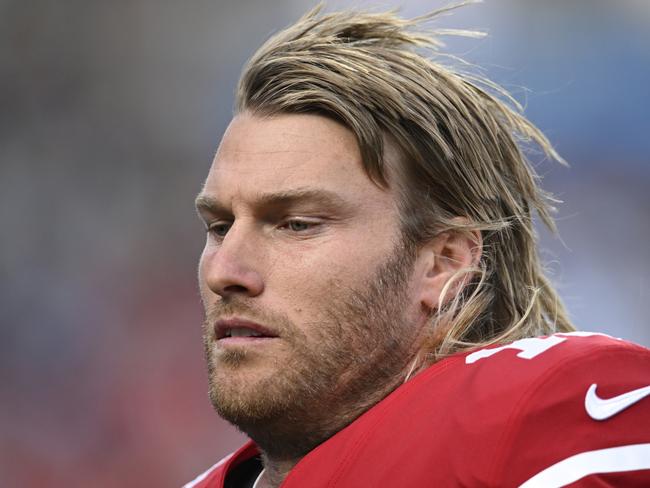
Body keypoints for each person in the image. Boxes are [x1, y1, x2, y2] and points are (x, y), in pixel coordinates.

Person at [187, 5, 650, 487]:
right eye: (220, 226)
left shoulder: (541, 415)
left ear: (443, 262)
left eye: (296, 224)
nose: (226, 270)